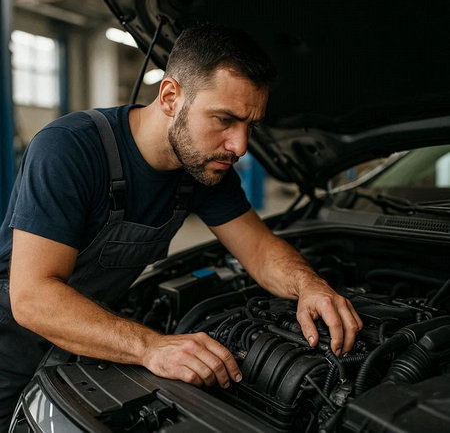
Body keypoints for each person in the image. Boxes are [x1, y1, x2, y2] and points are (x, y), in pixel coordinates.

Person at [0, 25, 362, 430]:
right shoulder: (71, 148)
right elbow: (32, 297)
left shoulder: (204, 170)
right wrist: (151, 346)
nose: (240, 146)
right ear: (171, 96)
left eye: (250, 126)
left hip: (87, 347)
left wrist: (308, 285)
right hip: (7, 352)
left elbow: (259, 250)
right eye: (224, 119)